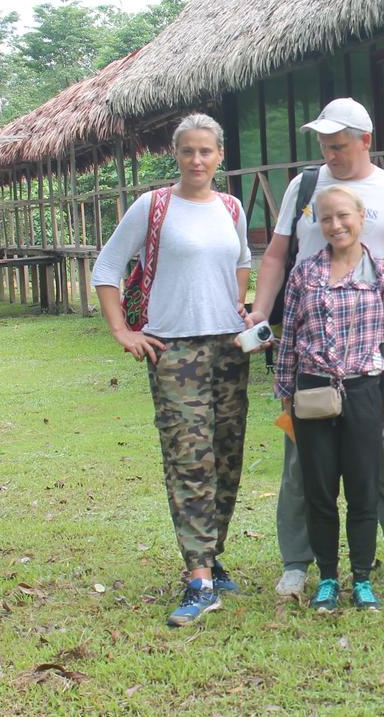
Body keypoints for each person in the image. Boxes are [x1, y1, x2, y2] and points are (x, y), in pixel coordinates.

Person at [245, 98, 384, 602]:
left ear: (366, 140)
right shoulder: (303, 186)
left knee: (383, 460)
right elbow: (276, 254)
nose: (330, 153)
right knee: (302, 468)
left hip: (371, 351)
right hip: (313, 352)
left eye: (339, 144)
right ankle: (297, 562)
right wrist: (259, 315)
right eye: (324, 145)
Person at [91, 113, 251, 627]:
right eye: (188, 152)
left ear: (219, 155)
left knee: (226, 455)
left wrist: (241, 302)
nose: (197, 160)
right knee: (189, 458)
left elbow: (242, 260)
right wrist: (123, 331)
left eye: (206, 151)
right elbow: (107, 267)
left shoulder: (231, 206)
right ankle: (198, 576)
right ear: (176, 155)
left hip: (230, 347)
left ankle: (212, 553)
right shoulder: (154, 206)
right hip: (173, 351)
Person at [274, 185, 384, 613]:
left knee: (364, 487)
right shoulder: (304, 274)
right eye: (326, 219)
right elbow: (289, 341)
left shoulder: (383, 273)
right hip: (312, 392)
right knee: (318, 489)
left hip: (363, 391)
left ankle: (363, 578)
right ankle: (328, 577)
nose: (336, 225)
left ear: (361, 217)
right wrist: (285, 400)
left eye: (343, 216)